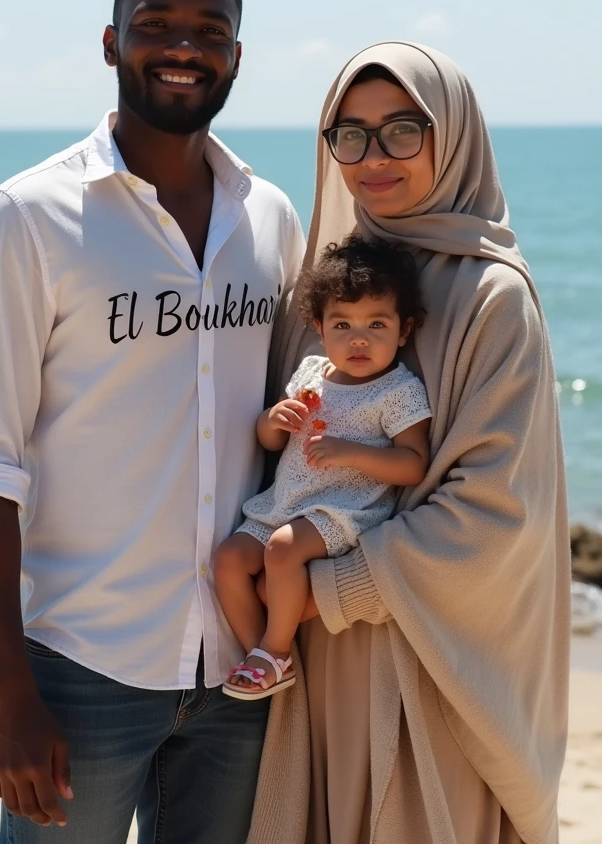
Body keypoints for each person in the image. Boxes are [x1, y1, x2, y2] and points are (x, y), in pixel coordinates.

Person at [0, 0, 305, 844]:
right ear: (112, 43)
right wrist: (5, 689)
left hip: (237, 674)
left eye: (210, 31)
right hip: (77, 669)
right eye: (156, 23)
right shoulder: (27, 219)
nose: (184, 47)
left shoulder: (271, 218)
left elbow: (287, 424)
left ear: (237, 57)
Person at [247, 43, 569, 844]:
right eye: (348, 135)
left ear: (451, 135)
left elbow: (495, 510)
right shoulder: (333, 285)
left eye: (401, 129)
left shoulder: (493, 297)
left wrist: (331, 591)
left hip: (430, 661)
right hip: (314, 666)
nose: (372, 157)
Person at [215, 235, 431, 699]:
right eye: (342, 324)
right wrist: (272, 420)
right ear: (319, 327)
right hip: (285, 503)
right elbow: (270, 440)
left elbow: (413, 465)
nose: (359, 339)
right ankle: (266, 657)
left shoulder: (397, 391)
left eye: (377, 324)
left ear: (404, 331)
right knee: (229, 560)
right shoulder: (311, 372)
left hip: (345, 509)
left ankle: (273, 651)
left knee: (281, 552)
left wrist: (352, 452)